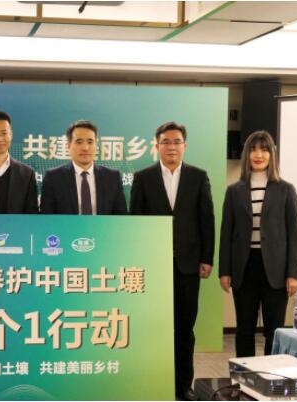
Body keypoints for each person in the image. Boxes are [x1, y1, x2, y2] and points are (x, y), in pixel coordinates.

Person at [130, 121, 215, 401]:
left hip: (188, 266)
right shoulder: (143, 178)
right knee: (154, 328)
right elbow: (135, 222)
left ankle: (183, 386)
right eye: (165, 141)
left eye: (177, 141)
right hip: (153, 266)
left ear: (184, 146)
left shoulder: (198, 176)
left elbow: (207, 219)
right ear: (157, 146)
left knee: (185, 329)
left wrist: (207, 258)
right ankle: (155, 383)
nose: (171, 146)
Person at [219, 130, 297, 358]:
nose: (258, 155)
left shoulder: (286, 189)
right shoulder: (234, 191)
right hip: (244, 268)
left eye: (264, 150)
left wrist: (293, 273)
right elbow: (226, 233)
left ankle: (270, 375)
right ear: (246, 154)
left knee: (273, 331)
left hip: (276, 270)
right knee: (244, 329)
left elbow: (295, 235)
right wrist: (224, 270)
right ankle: (244, 376)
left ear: (272, 154)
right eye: (253, 150)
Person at [40, 120, 127, 215]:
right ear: (68, 145)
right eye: (79, 142)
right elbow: (46, 217)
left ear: (96, 145)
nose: (85, 148)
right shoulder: (53, 178)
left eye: (90, 142)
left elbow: (121, 217)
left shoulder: (112, 177)